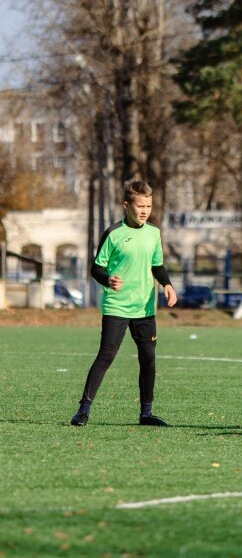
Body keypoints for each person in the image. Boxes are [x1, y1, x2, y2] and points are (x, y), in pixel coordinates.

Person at [70, 180, 178, 427]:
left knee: (148, 359)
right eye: (140, 206)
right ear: (126, 205)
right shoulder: (113, 233)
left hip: (145, 307)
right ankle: (83, 411)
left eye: (149, 206)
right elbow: (95, 268)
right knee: (106, 356)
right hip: (117, 305)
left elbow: (157, 265)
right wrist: (108, 279)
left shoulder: (154, 233)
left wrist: (168, 285)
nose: (145, 211)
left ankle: (146, 414)